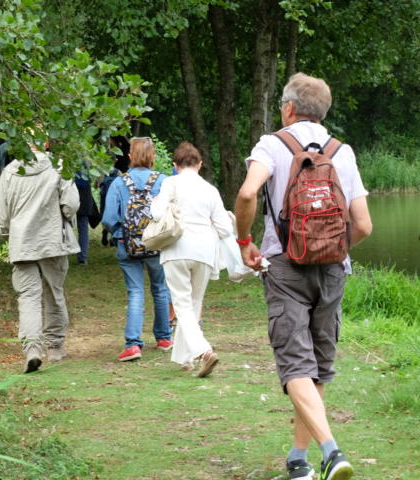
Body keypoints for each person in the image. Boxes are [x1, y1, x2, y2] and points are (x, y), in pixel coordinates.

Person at [234, 73, 372, 480]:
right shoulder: (341, 152)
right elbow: (362, 225)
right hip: (333, 271)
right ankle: (299, 461)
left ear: (289, 108)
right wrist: (331, 248)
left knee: (295, 366)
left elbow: (246, 194)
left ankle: (330, 451)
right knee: (317, 368)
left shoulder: (272, 144)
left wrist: (245, 241)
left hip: (285, 268)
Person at [0, 138, 80, 373]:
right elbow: (71, 203)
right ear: (46, 143)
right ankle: (55, 346)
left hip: (22, 242)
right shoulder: (58, 166)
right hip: (52, 240)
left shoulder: (11, 170)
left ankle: (32, 349)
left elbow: (0, 211)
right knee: (54, 292)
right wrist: (63, 217)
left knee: (28, 297)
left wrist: (7, 233)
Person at [151, 141, 232, 376]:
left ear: (175, 165)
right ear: (200, 164)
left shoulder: (170, 183)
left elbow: (156, 214)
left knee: (182, 305)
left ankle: (203, 351)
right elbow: (225, 229)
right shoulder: (210, 190)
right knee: (193, 304)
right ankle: (185, 359)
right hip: (205, 251)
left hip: (176, 248)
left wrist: (156, 203)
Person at [102, 137, 173, 361]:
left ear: (131, 156)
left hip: (127, 245)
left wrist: (120, 235)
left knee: (135, 292)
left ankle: (133, 344)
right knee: (160, 289)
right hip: (157, 244)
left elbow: (109, 218)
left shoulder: (119, 183)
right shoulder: (163, 181)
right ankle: (164, 338)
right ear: (153, 156)